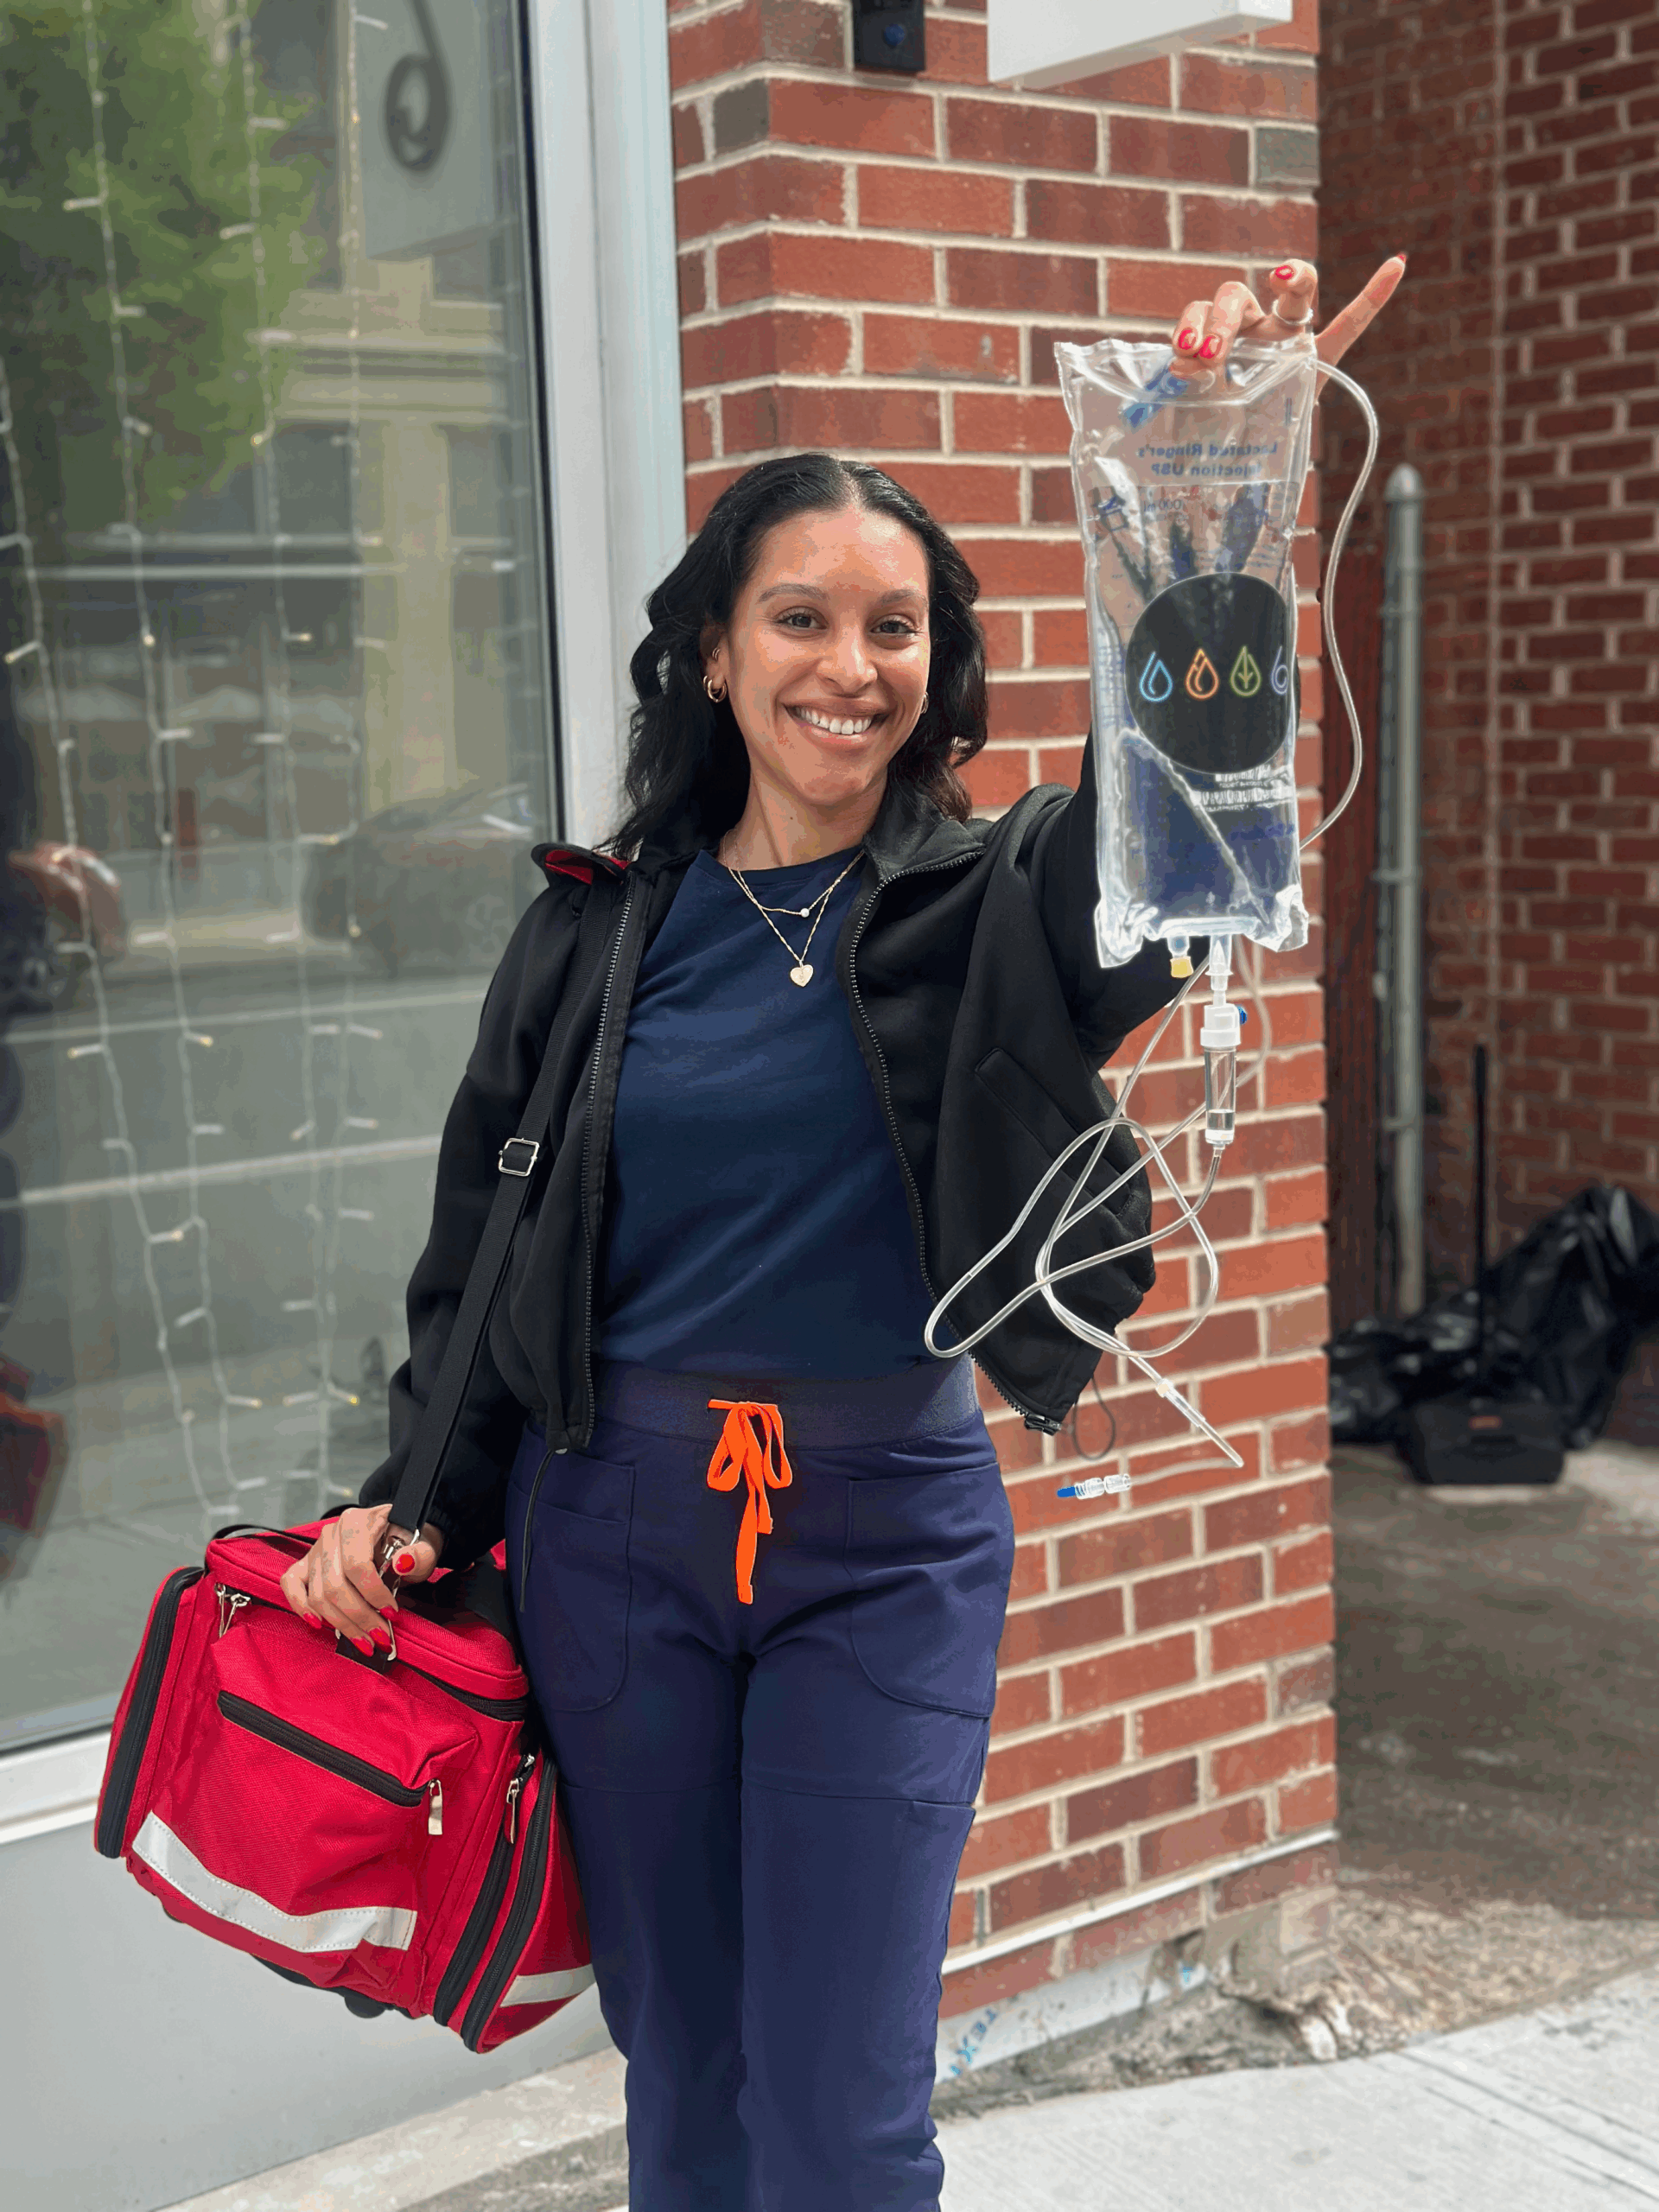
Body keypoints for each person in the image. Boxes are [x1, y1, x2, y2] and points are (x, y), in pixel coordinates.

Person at [282, 257, 1403, 2211]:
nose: (850, 665)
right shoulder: (592, 931)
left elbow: (1193, 822)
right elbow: (483, 1256)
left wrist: (1206, 483)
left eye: (895, 627)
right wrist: (409, 1499)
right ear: (715, 655)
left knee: (843, 2114)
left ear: (933, 664)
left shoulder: (1001, 903)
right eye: (799, 617)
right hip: (615, 1533)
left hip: (882, 1541)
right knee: (689, 2080)